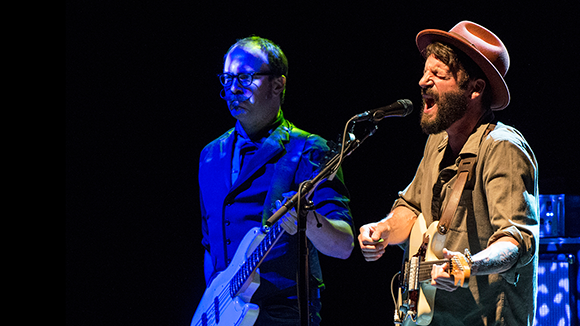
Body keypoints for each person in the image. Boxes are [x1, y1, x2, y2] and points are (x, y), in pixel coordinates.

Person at [358, 21, 539, 325]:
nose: (422, 82)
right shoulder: (437, 141)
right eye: (425, 72)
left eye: (438, 75)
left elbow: (517, 240)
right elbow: (412, 207)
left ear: (475, 89)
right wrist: (385, 230)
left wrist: (467, 264)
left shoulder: (503, 148)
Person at [197, 36, 354, 326]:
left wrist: (309, 218)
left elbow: (343, 245)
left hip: (284, 314)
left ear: (278, 85)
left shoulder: (309, 150)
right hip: (222, 314)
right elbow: (210, 244)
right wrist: (213, 300)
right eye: (227, 78)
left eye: (244, 76)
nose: (233, 88)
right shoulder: (210, 156)